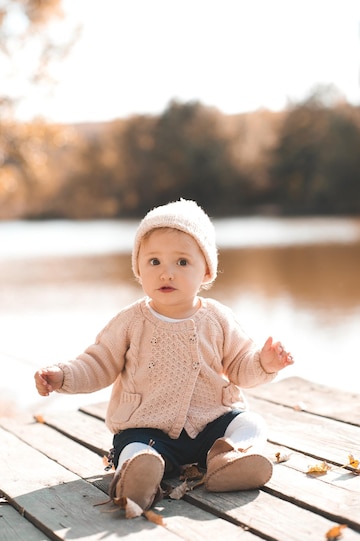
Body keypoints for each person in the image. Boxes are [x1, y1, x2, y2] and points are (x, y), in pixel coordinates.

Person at [34, 199, 294, 512]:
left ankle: (230, 459)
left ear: (206, 271)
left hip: (211, 426)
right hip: (149, 429)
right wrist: (63, 376)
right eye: (154, 262)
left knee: (251, 422)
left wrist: (265, 363)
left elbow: (241, 366)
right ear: (139, 270)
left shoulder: (219, 319)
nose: (166, 273)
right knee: (132, 447)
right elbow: (98, 362)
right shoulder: (130, 321)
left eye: (182, 262)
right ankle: (139, 476)